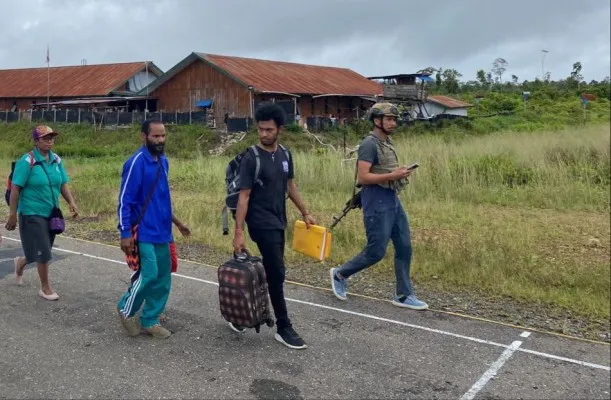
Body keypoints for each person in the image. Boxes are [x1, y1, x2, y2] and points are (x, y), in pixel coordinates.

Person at [232, 102, 316, 350]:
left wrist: (305, 212)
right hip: (260, 221)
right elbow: (243, 196)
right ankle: (283, 326)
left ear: (279, 128)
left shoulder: (285, 154)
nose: (264, 134)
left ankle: (241, 314)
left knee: (268, 271)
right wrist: (239, 233)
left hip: (279, 220)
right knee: (277, 273)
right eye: (261, 129)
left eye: (268, 130)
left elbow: (290, 186)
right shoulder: (252, 158)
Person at [330, 103, 428, 310]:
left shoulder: (387, 142)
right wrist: (394, 175)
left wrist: (399, 172)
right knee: (376, 251)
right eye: (389, 119)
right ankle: (340, 274)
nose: (393, 123)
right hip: (376, 200)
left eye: (394, 119)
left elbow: (383, 169)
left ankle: (403, 295)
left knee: (404, 246)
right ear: (377, 120)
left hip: (392, 198)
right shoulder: (369, 144)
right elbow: (364, 177)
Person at [116, 120, 190, 339]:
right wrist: (125, 233)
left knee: (162, 278)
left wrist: (177, 223)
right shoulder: (136, 163)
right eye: (155, 136)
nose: (160, 140)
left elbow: (162, 198)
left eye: (163, 136)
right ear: (143, 137)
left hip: (163, 232)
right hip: (144, 232)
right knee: (148, 275)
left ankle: (150, 319)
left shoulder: (163, 162)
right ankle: (125, 309)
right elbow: (124, 201)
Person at [4, 125, 78, 300]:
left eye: (51, 138)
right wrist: (13, 214)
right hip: (31, 212)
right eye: (45, 138)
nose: (50, 141)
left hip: (51, 213)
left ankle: (20, 263)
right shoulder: (27, 161)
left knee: (40, 250)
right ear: (36, 141)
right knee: (43, 250)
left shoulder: (56, 160)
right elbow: (15, 189)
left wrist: (72, 202)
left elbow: (62, 184)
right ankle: (45, 287)